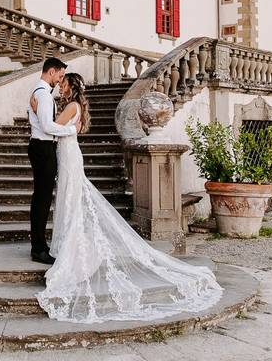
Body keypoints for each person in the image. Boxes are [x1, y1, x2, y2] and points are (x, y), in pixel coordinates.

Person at [33, 72, 224, 324]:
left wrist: (37, 112)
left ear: (70, 87)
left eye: (63, 83)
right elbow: (66, 128)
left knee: (71, 197)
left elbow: (52, 126)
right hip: (69, 154)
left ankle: (71, 243)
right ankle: (69, 240)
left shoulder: (70, 106)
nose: (60, 86)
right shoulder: (75, 106)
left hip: (68, 155)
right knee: (71, 196)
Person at [26, 57, 75, 264]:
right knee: (42, 199)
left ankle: (39, 245)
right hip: (43, 148)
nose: (60, 80)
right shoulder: (43, 95)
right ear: (52, 71)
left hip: (42, 147)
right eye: (60, 75)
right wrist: (71, 130)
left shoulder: (41, 93)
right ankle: (38, 248)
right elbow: (47, 126)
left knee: (42, 197)